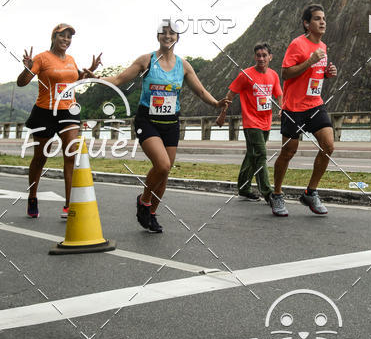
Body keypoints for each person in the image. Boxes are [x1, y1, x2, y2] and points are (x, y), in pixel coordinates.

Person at [103, 21, 230, 233]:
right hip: (147, 121)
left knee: (165, 172)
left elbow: (200, 91)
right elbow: (118, 79)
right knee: (162, 165)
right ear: (158, 36)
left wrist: (216, 103)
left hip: (171, 123)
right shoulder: (146, 60)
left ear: (178, 38)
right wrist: (94, 79)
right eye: (164, 33)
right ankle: (143, 201)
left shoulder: (184, 65)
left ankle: (151, 214)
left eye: (172, 33)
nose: (168, 36)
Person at [17, 24, 102, 220]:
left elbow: (73, 81)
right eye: (62, 36)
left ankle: (69, 205)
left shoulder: (71, 60)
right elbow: (22, 82)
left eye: (69, 37)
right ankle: (32, 196)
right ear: (53, 37)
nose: (66, 40)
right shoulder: (41, 58)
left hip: (68, 112)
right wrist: (27, 68)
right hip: (44, 112)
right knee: (40, 158)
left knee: (71, 156)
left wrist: (89, 72)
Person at [271, 4, 337, 217]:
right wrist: (310, 62)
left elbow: (315, 75)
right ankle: (277, 194)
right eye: (317, 19)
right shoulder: (297, 44)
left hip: (315, 104)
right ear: (307, 24)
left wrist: (327, 73)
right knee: (288, 152)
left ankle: (311, 192)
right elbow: (286, 74)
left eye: (324, 18)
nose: (322, 22)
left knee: (328, 145)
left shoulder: (324, 47)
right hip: (294, 107)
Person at [215, 42, 282, 202]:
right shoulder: (246, 74)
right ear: (255, 57)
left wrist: (281, 107)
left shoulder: (273, 75)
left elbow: (278, 93)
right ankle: (268, 193)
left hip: (266, 122)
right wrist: (222, 114)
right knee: (261, 155)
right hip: (251, 123)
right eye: (258, 55)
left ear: (270, 57)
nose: (261, 58)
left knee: (252, 155)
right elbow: (230, 94)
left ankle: (243, 188)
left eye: (264, 55)